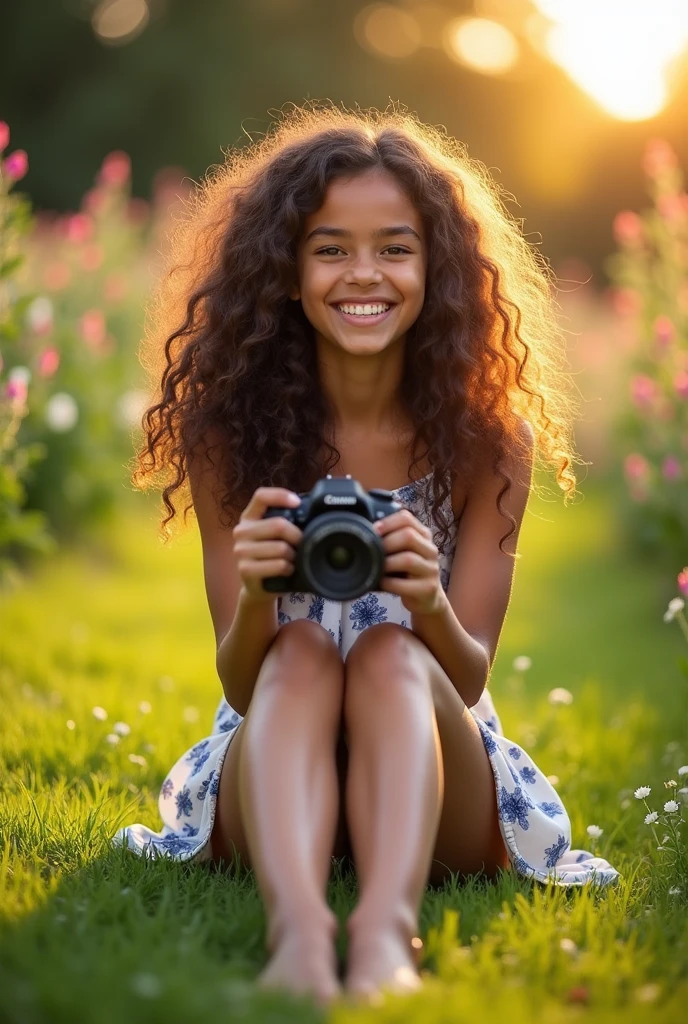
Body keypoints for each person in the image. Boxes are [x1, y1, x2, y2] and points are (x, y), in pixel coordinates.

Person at [113, 101, 619, 1005]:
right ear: (286, 268)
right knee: (303, 648)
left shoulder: (487, 437)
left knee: (391, 652)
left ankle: (388, 932)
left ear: (437, 267)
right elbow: (241, 681)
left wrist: (425, 603)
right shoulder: (228, 430)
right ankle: (300, 934)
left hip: (434, 770)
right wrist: (266, 593)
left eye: (395, 246)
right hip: (278, 753)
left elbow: (463, 680)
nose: (364, 274)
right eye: (330, 247)